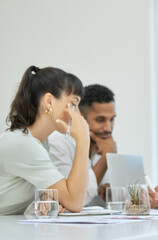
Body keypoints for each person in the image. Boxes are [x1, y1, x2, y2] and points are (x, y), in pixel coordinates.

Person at [0, 66, 90, 215]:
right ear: (49, 101)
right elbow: (75, 201)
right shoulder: (23, 144)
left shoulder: (40, 142)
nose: (78, 114)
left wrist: (49, 199)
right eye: (74, 104)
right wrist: (83, 138)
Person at [49, 84, 116, 205]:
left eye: (112, 119)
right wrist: (106, 158)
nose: (108, 128)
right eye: (100, 120)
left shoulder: (105, 144)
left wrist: (112, 194)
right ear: (80, 117)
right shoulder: (57, 144)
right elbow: (70, 201)